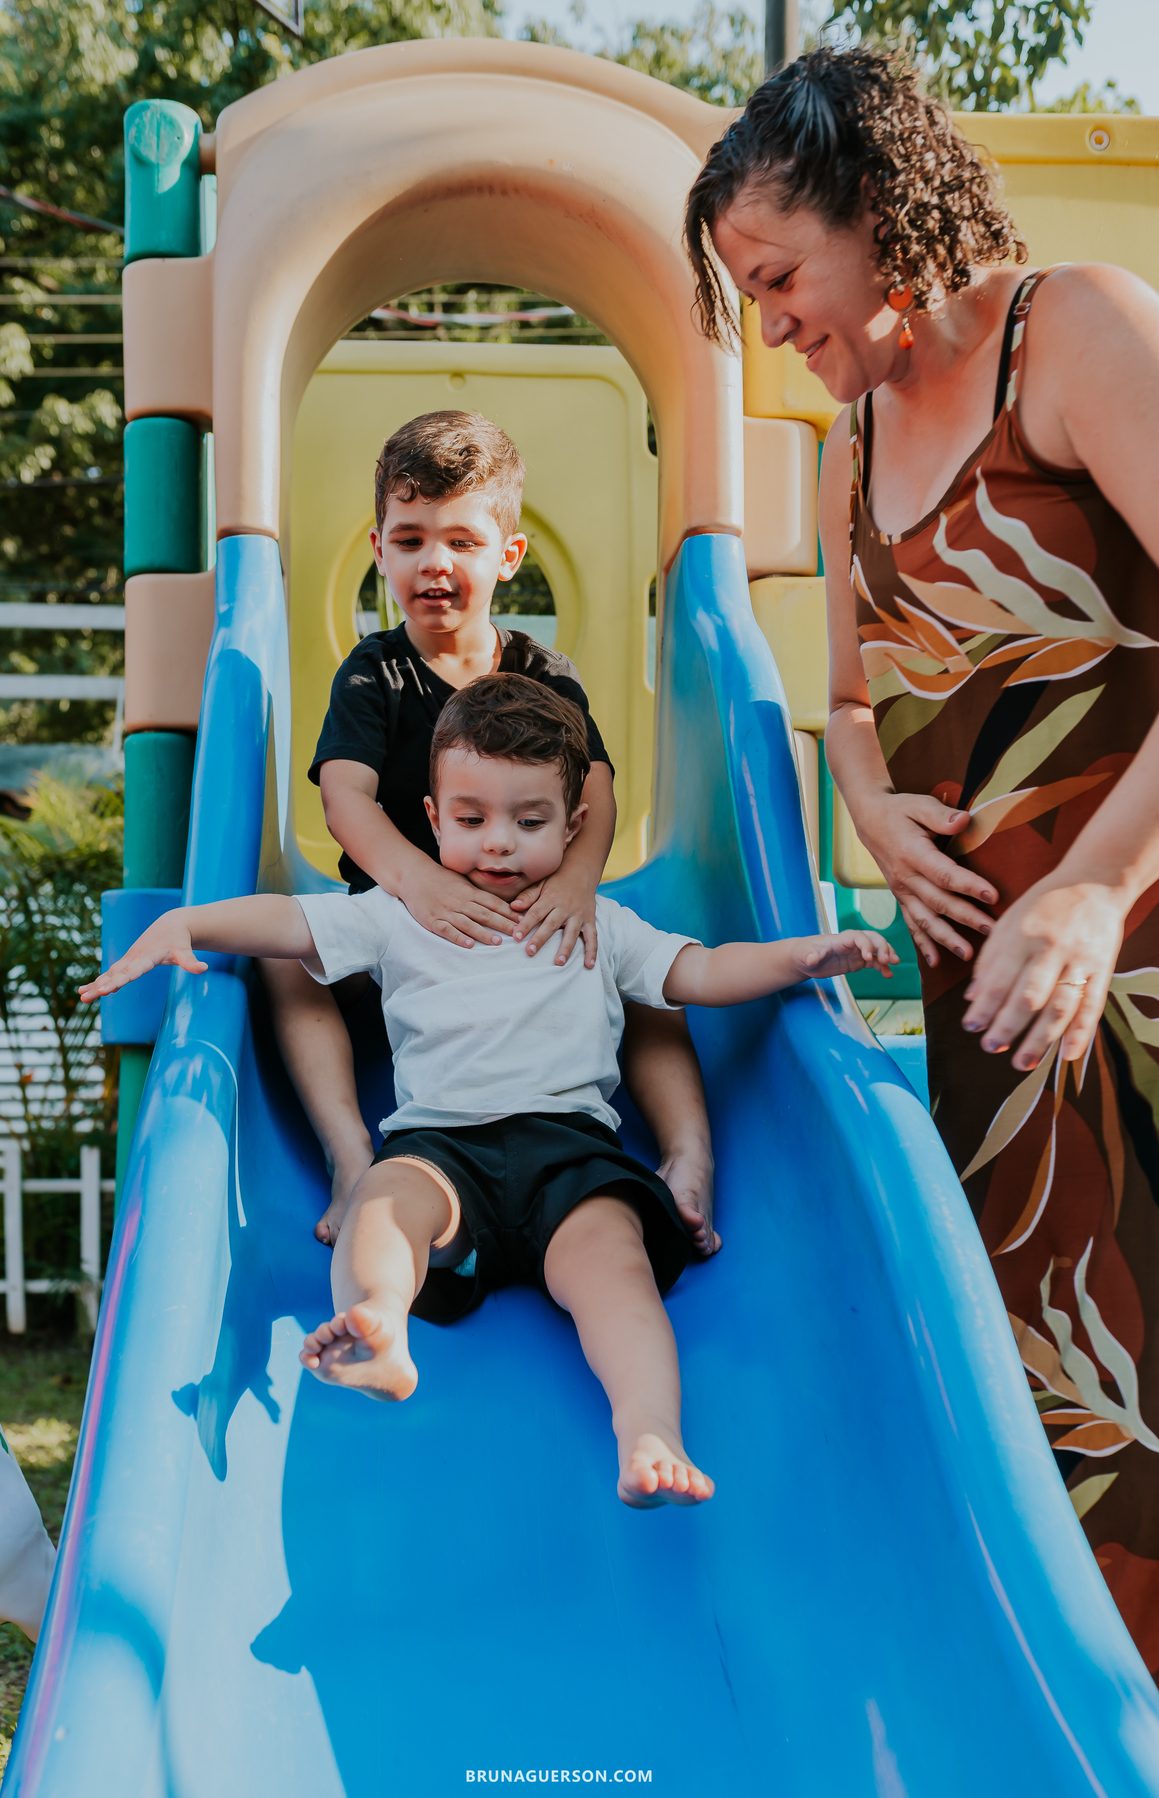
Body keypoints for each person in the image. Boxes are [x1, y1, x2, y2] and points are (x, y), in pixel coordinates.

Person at [686, 45, 1159, 1665]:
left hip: (1135, 983)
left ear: (875, 208)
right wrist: (874, 809)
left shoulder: (1076, 331)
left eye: (776, 277)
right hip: (998, 1032)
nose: (770, 322)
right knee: (1055, 1419)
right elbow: (842, 703)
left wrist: (1097, 884)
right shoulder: (847, 450)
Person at [82, 675, 895, 1507]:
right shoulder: (400, 914)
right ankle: (381, 1329)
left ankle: (648, 1430)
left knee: (616, 1269)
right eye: (470, 820)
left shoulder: (597, 922)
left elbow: (699, 972)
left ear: (575, 826)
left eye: (529, 821)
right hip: (439, 1147)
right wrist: (186, 923)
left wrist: (804, 957)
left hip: (572, 1154)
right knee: (382, 1205)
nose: (498, 842)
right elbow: (287, 925)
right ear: (432, 819)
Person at [264, 410, 717, 1257]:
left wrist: (578, 883)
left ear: (507, 556)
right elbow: (345, 797)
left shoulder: (543, 675)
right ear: (379, 550)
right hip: (408, 926)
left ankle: (687, 1155)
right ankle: (350, 1154)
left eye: (462, 541)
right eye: (411, 540)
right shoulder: (374, 673)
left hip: (529, 922)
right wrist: (418, 882)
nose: (434, 563)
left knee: (648, 980)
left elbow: (600, 791)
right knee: (286, 960)